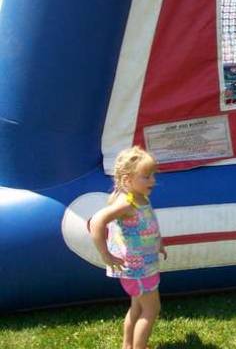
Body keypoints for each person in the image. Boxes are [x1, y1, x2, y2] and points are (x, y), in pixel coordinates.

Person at [90, 146, 167, 349]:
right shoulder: (127, 203)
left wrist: (158, 243)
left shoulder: (139, 197)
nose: (152, 180)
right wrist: (105, 254)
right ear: (127, 179)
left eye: (153, 175)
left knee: (136, 307)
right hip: (138, 268)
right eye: (146, 176)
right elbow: (97, 221)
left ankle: (128, 345)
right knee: (151, 310)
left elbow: (143, 227)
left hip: (139, 266)